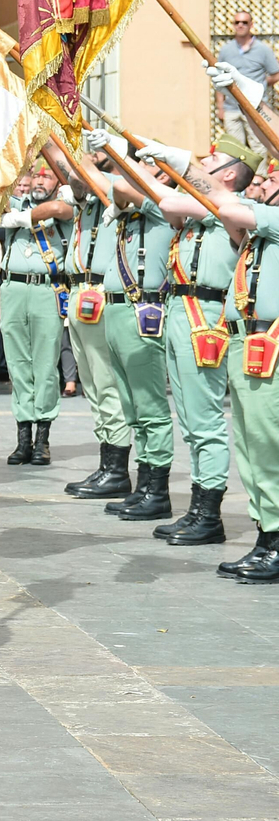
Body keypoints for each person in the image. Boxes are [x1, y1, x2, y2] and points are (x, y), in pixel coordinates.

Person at [119, 134, 258, 546]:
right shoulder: (205, 211)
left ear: (228, 174)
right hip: (180, 309)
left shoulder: (233, 208)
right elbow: (161, 195)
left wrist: (176, 164)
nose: (202, 160)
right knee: (191, 421)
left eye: (211, 159)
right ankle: (197, 507)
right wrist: (120, 154)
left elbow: (169, 201)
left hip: (206, 317)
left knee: (205, 420)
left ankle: (208, 513)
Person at [83, 126, 178, 522]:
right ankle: (143, 486)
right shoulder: (135, 206)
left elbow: (121, 186)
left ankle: (157, 491)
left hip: (143, 313)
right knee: (130, 403)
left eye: (149, 166)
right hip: (117, 310)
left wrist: (114, 151)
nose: (140, 170)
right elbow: (112, 185)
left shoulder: (165, 202)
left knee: (150, 405)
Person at [210, 170, 279, 580]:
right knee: (253, 448)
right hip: (247, 343)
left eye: (272, 181)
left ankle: (276, 538)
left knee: (268, 445)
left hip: (268, 343)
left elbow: (225, 203)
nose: (263, 187)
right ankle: (266, 535)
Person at [60, 160, 135, 500]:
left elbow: (83, 174)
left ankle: (117, 468)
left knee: (106, 382)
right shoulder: (88, 198)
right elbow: (75, 180)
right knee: (92, 383)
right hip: (78, 292)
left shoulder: (113, 188)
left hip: (98, 293)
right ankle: (107, 463)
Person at [0, 160, 74, 463]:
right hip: (13, 288)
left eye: (47, 175)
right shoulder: (15, 202)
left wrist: (21, 218)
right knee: (18, 363)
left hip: (46, 289)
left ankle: (43, 437)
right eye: (36, 174)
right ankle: (23, 437)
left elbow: (61, 211)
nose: (40, 180)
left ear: (58, 181)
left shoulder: (65, 204)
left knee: (44, 365)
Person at [209, 11, 279, 149]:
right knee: (236, 150)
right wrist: (220, 107)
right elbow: (219, 78)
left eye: (244, 22)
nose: (240, 25)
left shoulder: (263, 49)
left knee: (259, 149)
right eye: (237, 22)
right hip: (232, 108)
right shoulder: (226, 50)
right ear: (233, 25)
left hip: (256, 106)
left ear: (251, 25)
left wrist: (262, 84)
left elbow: (276, 73)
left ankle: (261, 172)